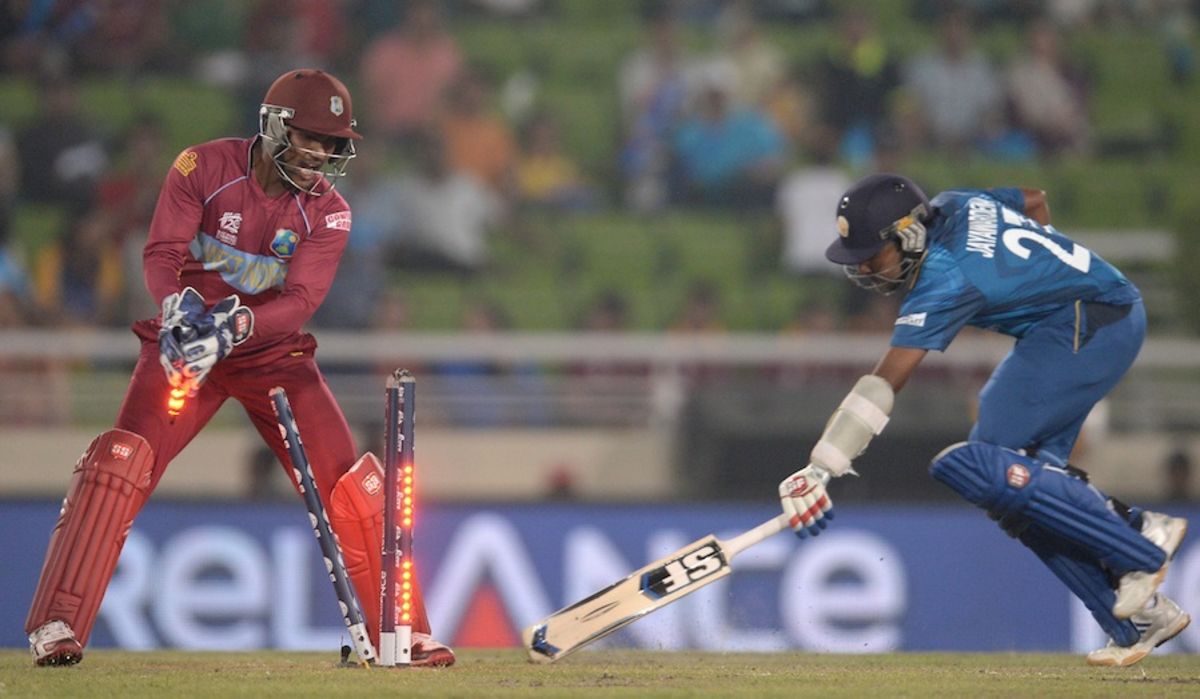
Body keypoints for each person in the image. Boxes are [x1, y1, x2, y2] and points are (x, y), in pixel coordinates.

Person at [24, 69, 455, 668]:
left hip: (270, 355)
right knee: (119, 466)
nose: (323, 156)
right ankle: (57, 623)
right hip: (186, 344)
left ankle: (403, 633)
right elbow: (161, 255)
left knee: (351, 485)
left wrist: (241, 326)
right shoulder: (200, 169)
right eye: (312, 139)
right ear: (274, 127)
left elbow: (301, 302)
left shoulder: (329, 214)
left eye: (333, 145)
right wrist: (179, 313)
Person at [777, 173, 1189, 667]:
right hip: (1082, 319)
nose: (864, 266)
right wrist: (1039, 276)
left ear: (909, 234)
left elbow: (884, 383)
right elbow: (1035, 199)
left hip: (1091, 322)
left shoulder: (945, 276)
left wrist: (823, 465)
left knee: (983, 463)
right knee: (1011, 492)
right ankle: (1138, 620)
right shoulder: (956, 202)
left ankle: (1140, 533)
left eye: (873, 252)